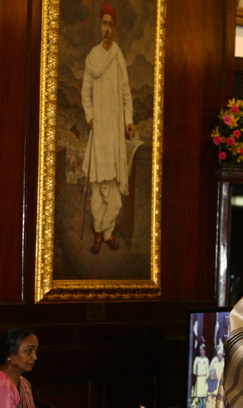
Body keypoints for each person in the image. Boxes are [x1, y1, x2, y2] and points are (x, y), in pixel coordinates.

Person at [81, 0, 137, 254]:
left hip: (114, 130)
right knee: (98, 184)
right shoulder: (92, 57)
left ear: (114, 29)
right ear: (100, 26)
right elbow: (85, 93)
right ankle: (97, 232)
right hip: (99, 128)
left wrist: (128, 121)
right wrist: (91, 118)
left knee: (113, 184)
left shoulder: (118, 56)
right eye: (104, 23)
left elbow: (126, 94)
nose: (106, 28)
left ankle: (109, 233)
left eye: (110, 24)